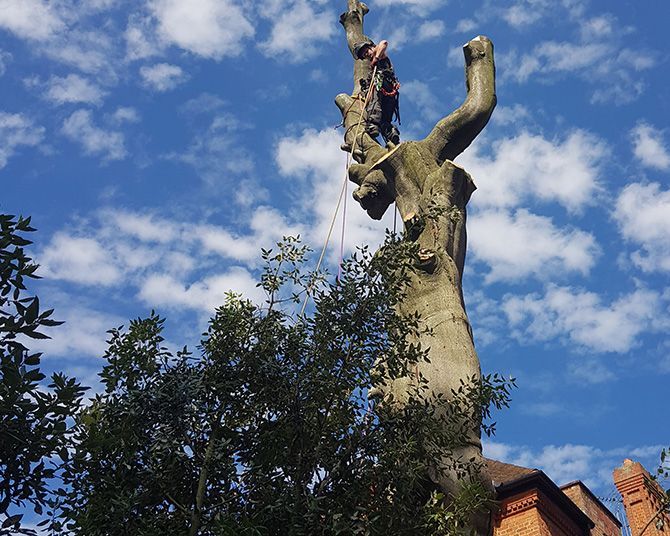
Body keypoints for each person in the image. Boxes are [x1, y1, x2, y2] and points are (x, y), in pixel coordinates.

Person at [353, 38, 400, 147]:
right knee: (384, 119)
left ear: (371, 47)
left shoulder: (379, 55)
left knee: (374, 102)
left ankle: (372, 124)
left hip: (383, 85)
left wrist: (376, 58)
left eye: (366, 52)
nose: (366, 55)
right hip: (388, 95)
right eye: (364, 55)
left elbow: (384, 43)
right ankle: (391, 134)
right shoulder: (372, 67)